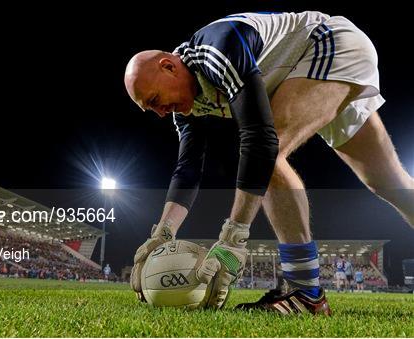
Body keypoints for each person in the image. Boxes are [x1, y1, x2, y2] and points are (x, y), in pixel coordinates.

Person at [124, 11, 414, 315]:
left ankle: (306, 293)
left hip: (329, 44)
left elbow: (259, 139)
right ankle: (305, 292)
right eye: (150, 109)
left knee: (268, 154)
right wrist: (162, 233)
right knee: (391, 184)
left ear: (169, 66)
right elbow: (188, 169)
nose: (159, 112)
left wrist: (233, 239)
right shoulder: (186, 106)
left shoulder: (216, 49)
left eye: (155, 100)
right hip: (310, 69)